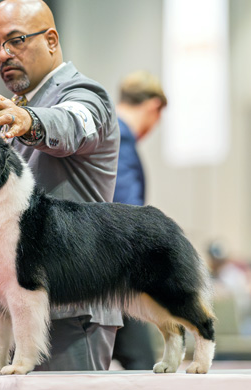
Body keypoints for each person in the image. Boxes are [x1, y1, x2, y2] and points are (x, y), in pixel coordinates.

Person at [0, 0, 122, 373]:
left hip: (72, 315)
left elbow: (71, 124)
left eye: (16, 40)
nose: (3, 55)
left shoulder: (86, 95)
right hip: (9, 314)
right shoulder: (6, 115)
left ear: (52, 40)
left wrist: (29, 119)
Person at [112, 70, 167, 369]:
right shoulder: (123, 142)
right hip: (117, 284)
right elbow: (128, 220)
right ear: (154, 107)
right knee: (143, 367)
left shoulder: (105, 130)